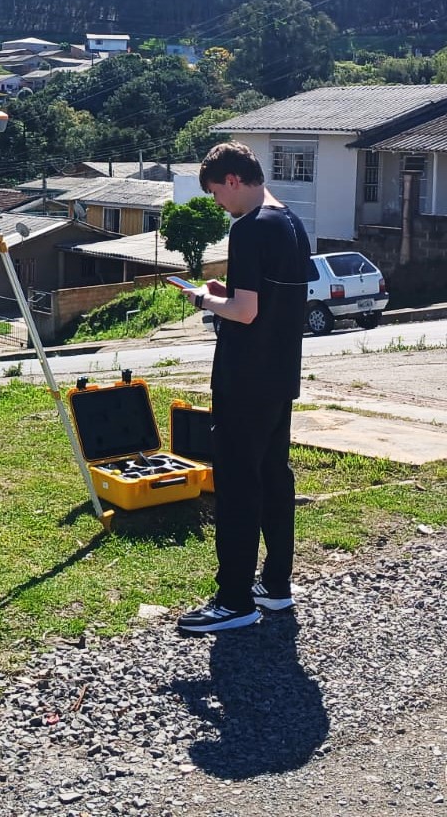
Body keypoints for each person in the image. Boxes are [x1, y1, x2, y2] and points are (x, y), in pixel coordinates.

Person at [174, 142, 312, 634]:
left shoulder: (249, 229)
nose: (217, 204)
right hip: (279, 374)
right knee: (275, 476)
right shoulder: (292, 223)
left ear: (232, 180)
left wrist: (202, 300)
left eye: (215, 194)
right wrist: (225, 297)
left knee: (236, 485)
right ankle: (275, 587)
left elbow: (246, 312)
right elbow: (269, 301)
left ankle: (233, 599)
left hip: (244, 376)